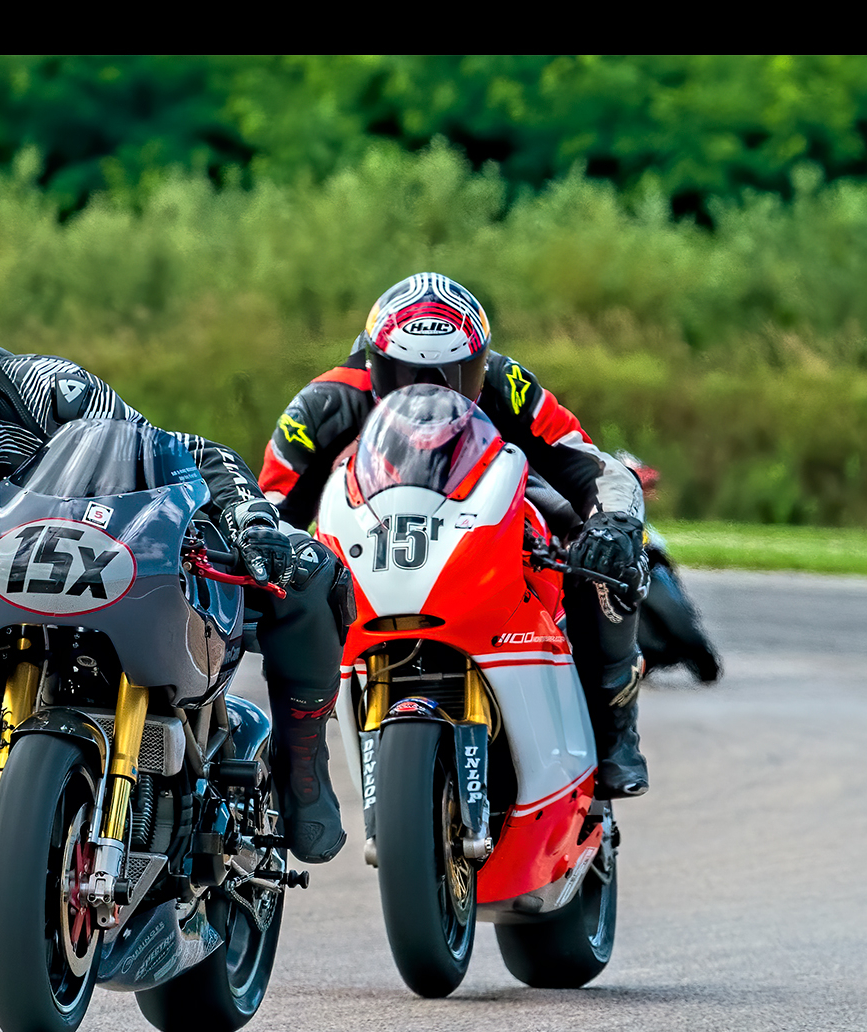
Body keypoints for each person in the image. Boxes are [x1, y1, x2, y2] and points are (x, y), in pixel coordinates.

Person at [0, 303, 353, 863]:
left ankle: (303, 768)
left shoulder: (50, 392)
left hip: (116, 553)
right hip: (10, 593)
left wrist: (250, 523)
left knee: (308, 571)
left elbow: (176, 457)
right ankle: (9, 730)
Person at [257, 272, 651, 835]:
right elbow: (271, 506)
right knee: (286, 583)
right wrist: (269, 558)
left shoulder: (507, 383)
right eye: (405, 373)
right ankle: (300, 769)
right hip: (370, 523)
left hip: (489, 499)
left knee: (606, 551)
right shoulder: (325, 401)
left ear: (479, 364)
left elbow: (586, 461)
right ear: (374, 363)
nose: (429, 388)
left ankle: (614, 722)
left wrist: (612, 523)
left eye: (452, 374)